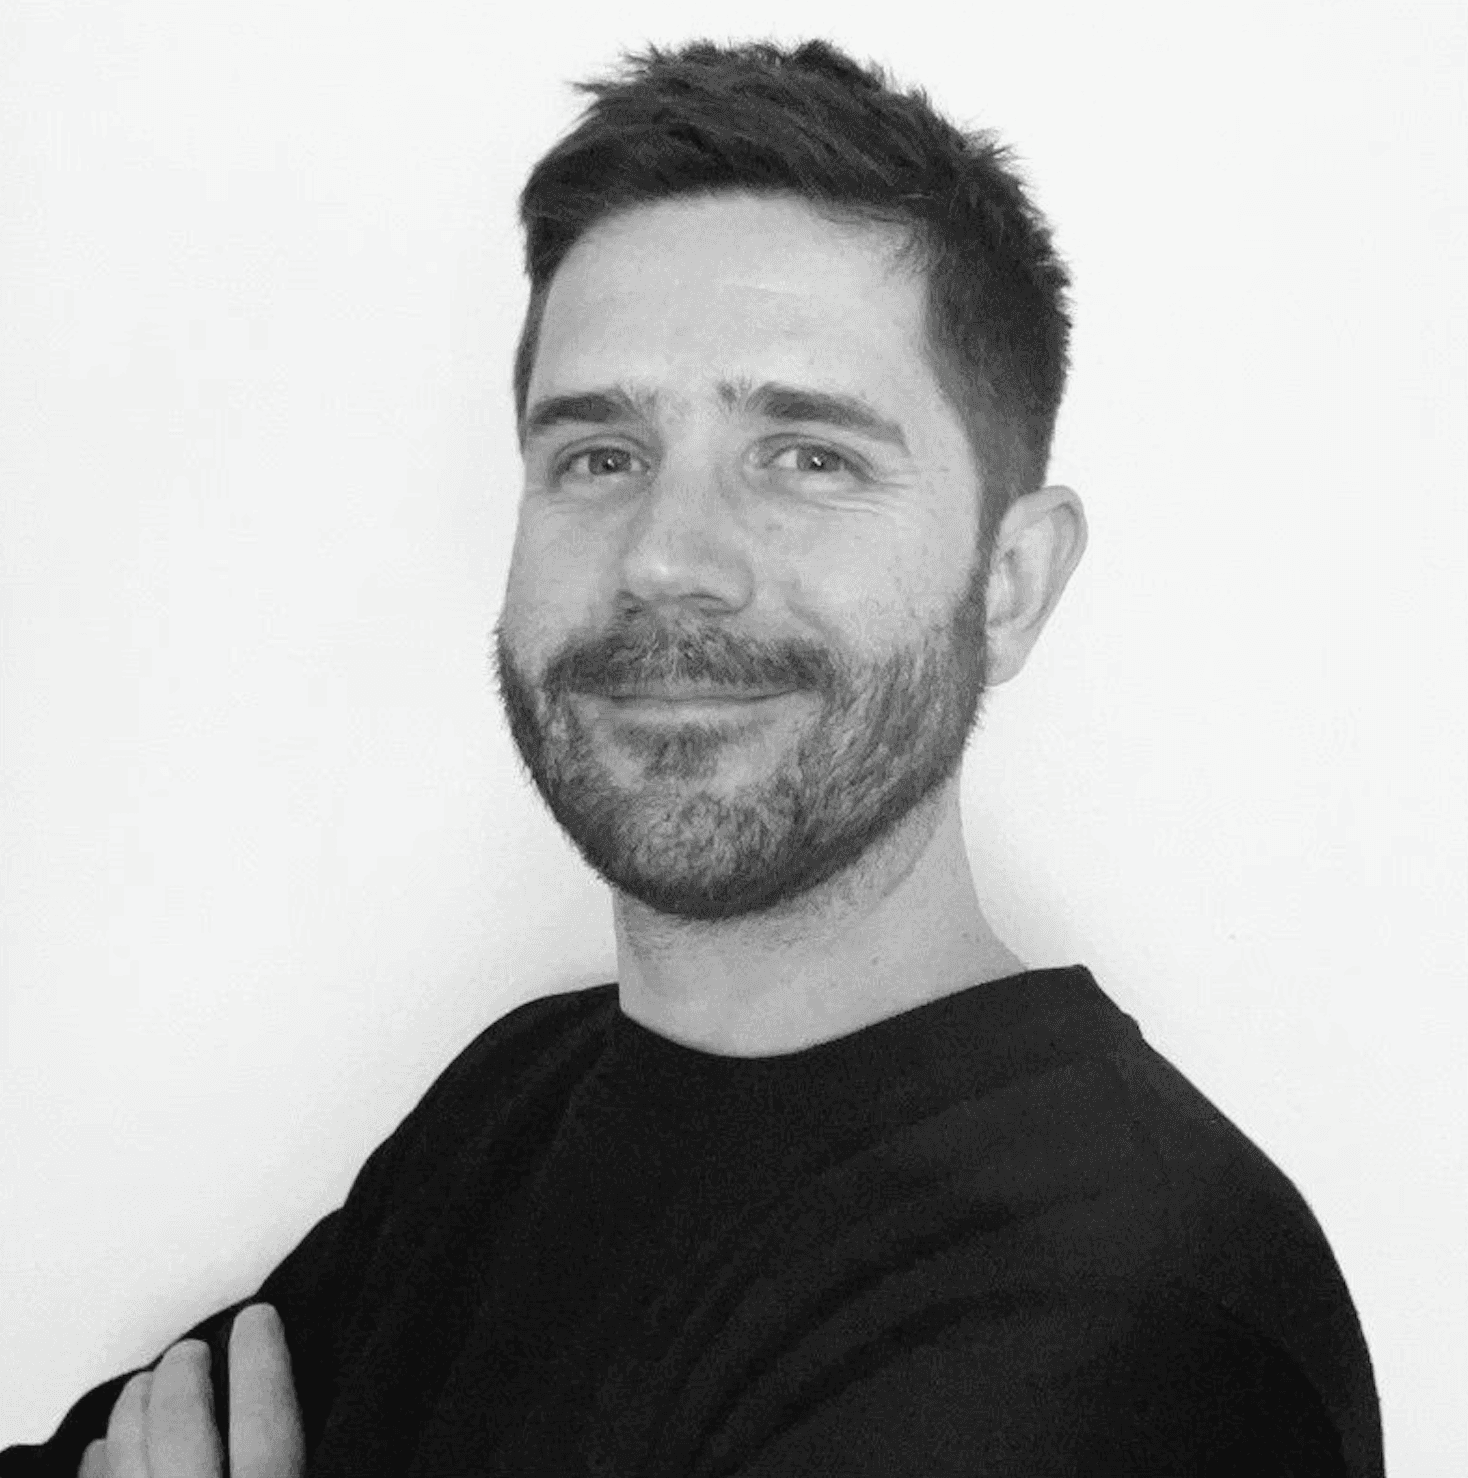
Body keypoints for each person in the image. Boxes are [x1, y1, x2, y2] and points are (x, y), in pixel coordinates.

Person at [1, 38, 1383, 1478]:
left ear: (1011, 582)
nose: (666, 558)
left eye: (810, 455)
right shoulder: (519, 1098)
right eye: (599, 456)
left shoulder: (1137, 1323)